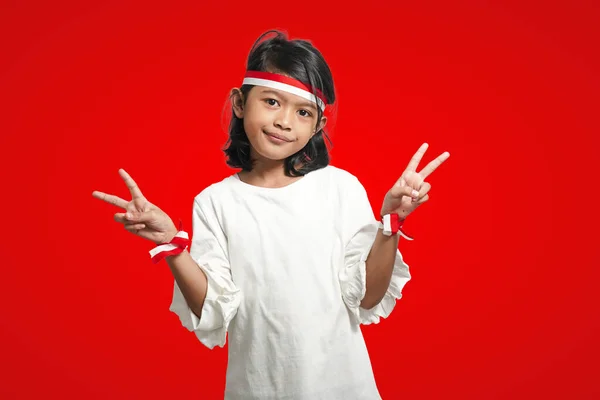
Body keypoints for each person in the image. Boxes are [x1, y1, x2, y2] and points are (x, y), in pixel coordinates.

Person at [92, 29, 450, 400]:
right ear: (239, 102)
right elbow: (211, 308)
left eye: (303, 111)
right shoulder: (215, 202)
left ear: (318, 126)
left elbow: (368, 298)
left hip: (344, 388)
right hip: (257, 389)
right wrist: (172, 244)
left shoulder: (340, 188)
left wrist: (389, 224)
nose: (284, 122)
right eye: (272, 102)